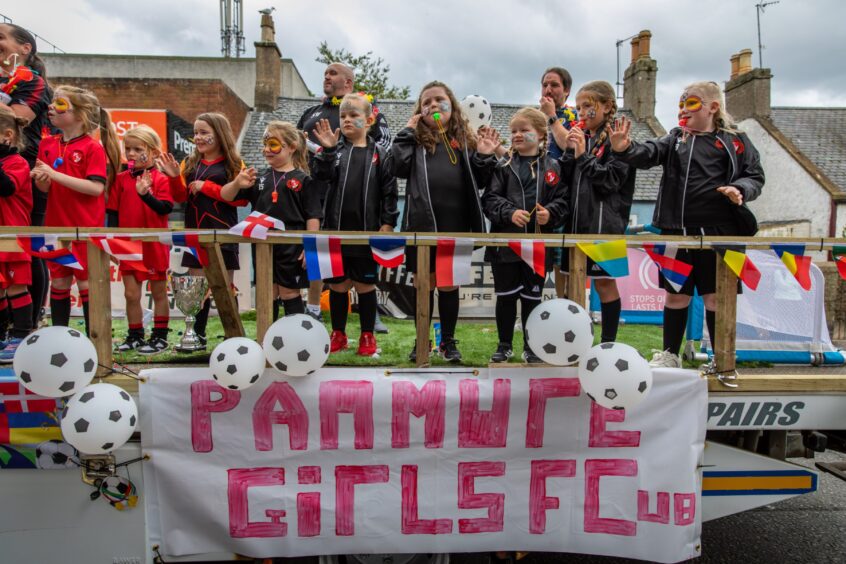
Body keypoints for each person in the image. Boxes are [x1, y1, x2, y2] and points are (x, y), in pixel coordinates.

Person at [609, 80, 765, 368]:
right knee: (675, 296)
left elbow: (755, 176)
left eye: (690, 102)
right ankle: (670, 355)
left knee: (717, 299)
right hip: (676, 233)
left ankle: (722, 359)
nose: (683, 109)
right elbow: (649, 153)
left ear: (713, 107)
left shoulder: (736, 140)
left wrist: (740, 189)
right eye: (680, 103)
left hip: (720, 234)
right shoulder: (676, 138)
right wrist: (625, 148)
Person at [390, 80, 499, 362]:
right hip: (421, 224)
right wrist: (407, 132)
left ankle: (448, 342)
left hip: (456, 223)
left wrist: (485, 156)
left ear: (452, 105)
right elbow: (396, 167)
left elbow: (483, 179)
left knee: (449, 284)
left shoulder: (466, 140)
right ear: (419, 111)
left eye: (439, 100)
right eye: (426, 102)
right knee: (423, 284)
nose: (433, 105)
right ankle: (422, 340)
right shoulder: (414, 141)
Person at [297, 62, 391, 327]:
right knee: (326, 265)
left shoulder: (369, 109)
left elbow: (385, 149)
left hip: (360, 206)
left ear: (348, 82)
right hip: (319, 193)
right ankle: (314, 308)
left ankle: (370, 319)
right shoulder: (311, 112)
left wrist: (386, 220)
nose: (327, 76)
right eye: (325, 72)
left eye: (333, 73)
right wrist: (324, 153)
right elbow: (295, 146)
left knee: (362, 273)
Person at [311, 92, 398, 356]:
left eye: (354, 115)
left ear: (369, 119)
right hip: (336, 233)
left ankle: (368, 336)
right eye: (343, 116)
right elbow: (320, 178)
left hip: (367, 234)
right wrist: (326, 151)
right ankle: (338, 334)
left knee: (364, 286)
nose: (347, 120)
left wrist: (387, 224)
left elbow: (390, 191)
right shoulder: (333, 151)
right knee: (337, 286)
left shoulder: (381, 154)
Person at [30, 85, 121, 334]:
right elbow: (46, 189)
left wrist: (53, 175)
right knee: (59, 282)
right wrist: (41, 179)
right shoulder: (47, 144)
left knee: (86, 284)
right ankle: (60, 337)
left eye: (60, 104)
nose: (51, 107)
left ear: (80, 115)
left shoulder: (93, 148)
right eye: (53, 102)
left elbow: (95, 189)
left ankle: (95, 339)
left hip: (84, 228)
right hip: (56, 227)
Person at [482, 107, 569, 363]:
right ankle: (504, 345)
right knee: (506, 297)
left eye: (524, 130)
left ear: (542, 134)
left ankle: (531, 347)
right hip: (506, 245)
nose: (517, 135)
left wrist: (550, 214)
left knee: (532, 298)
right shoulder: (503, 165)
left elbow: (563, 200)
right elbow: (490, 199)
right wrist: (509, 213)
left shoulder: (554, 167)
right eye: (514, 131)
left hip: (538, 246)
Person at [158, 112, 246, 350]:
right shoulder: (190, 163)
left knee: (225, 289)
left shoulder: (234, 164)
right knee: (197, 287)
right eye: (196, 132)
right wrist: (175, 177)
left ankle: (234, 336)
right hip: (194, 234)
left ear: (220, 134)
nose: (198, 137)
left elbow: (240, 201)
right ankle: (196, 335)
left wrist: (207, 187)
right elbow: (179, 197)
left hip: (224, 233)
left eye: (204, 132)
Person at [219, 121, 321, 317]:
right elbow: (226, 196)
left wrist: (310, 247)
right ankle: (266, 338)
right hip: (263, 245)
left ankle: (294, 337)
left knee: (289, 291)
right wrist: (237, 183)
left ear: (292, 147)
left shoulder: (303, 180)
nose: (267, 150)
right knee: (268, 292)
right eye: (265, 144)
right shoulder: (257, 178)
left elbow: (313, 216)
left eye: (273, 144)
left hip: (292, 247)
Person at [561, 80, 635, 344]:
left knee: (604, 285)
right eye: (579, 107)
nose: (581, 113)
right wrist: (570, 154)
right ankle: (576, 342)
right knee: (573, 285)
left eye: (587, 107)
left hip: (606, 227)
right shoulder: (585, 138)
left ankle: (608, 342)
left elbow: (610, 181)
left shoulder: (620, 140)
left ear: (606, 107)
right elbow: (565, 179)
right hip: (577, 225)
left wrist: (582, 156)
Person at [0, 23, 52, 329]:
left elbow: (17, 119)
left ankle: (28, 324)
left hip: (26, 173)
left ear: (25, 48)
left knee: (28, 248)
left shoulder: (32, 81)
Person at [107, 125, 174, 355]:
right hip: (128, 245)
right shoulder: (120, 179)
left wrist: (146, 194)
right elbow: (113, 213)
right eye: (128, 148)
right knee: (131, 294)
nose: (132, 153)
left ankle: (160, 336)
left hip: (154, 243)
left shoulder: (160, 179)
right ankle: (135, 334)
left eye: (138, 149)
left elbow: (165, 208)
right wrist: (114, 244)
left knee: (158, 292)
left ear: (154, 152)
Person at [0, 106, 33, 361]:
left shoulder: (17, 163)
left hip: (14, 236)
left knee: (16, 287)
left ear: (7, 136)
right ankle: (2, 335)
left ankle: (22, 335)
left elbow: (7, 188)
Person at [539, 67, 578, 159]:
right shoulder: (532, 117)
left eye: (554, 85)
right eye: (545, 85)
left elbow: (572, 148)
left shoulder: (576, 115)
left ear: (567, 90)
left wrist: (551, 116)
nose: (548, 91)